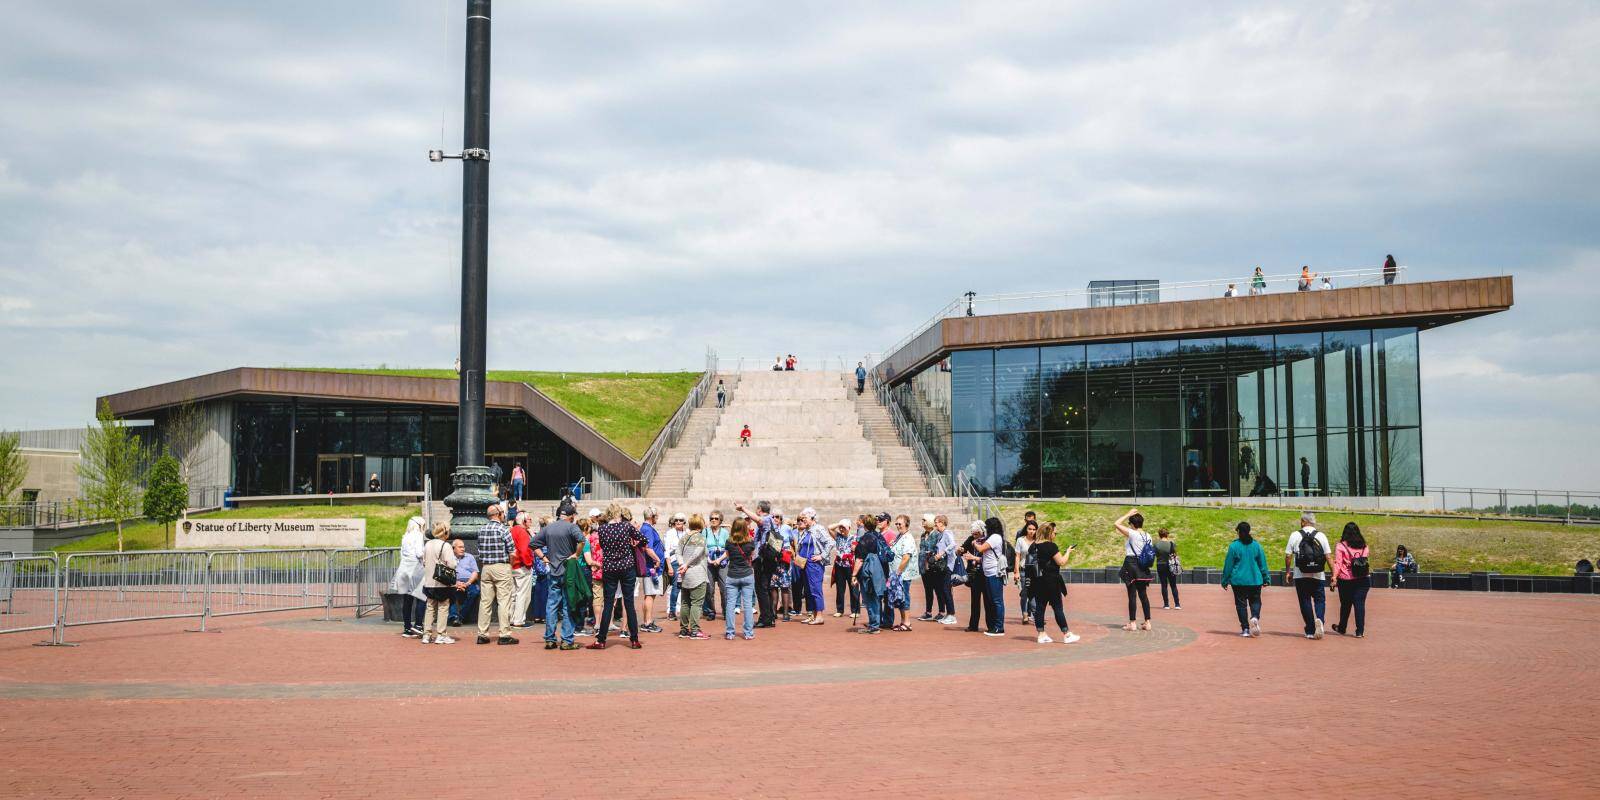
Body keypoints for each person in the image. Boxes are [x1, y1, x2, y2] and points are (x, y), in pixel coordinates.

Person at [586, 503, 645, 650]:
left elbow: (604, 546)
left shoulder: (602, 529)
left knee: (608, 603)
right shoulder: (626, 526)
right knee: (629, 603)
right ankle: (634, 639)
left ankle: (601, 640)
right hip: (627, 566)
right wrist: (632, 544)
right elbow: (643, 539)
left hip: (610, 567)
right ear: (619, 514)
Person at [532, 506, 584, 650]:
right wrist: (576, 555)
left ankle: (550, 639)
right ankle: (567, 640)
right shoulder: (572, 527)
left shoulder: (549, 528)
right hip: (568, 571)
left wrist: (544, 557)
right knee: (568, 605)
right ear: (571, 515)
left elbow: (533, 544)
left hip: (553, 570)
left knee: (552, 605)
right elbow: (582, 541)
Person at [1023, 527, 1079, 644]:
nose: (1055, 534)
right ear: (1049, 533)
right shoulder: (1051, 546)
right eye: (1055, 532)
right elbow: (1061, 562)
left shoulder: (1033, 546)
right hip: (1052, 581)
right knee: (1057, 607)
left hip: (1038, 581)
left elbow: (1029, 564)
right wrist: (1068, 552)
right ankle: (1067, 634)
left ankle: (1041, 634)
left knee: (1040, 607)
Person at [1284, 511, 1332, 640]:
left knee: (1305, 601)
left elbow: (1288, 556)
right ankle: (1320, 619)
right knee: (1320, 600)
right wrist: (1334, 574)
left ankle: (1310, 630)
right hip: (1318, 574)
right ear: (1313, 522)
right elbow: (1328, 556)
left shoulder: (1295, 535)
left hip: (1301, 574)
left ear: (1303, 521)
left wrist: (1288, 571)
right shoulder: (1321, 536)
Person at [475, 503, 519, 645]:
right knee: (504, 601)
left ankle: (482, 634)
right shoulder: (503, 529)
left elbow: (479, 551)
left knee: (485, 603)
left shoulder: (481, 530)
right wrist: (509, 565)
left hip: (486, 567)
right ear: (499, 514)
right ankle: (504, 634)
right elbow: (512, 551)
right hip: (501, 566)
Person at [1220, 521, 1269, 637]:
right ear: (1249, 531)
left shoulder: (1234, 546)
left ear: (1238, 532)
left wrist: (1225, 580)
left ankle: (1245, 629)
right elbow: (1262, 563)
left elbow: (1228, 565)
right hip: (1255, 580)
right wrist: (1266, 578)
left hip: (1239, 581)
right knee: (1256, 601)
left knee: (1241, 605)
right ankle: (1255, 617)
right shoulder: (1257, 545)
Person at [735, 501, 779, 627]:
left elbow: (759, 520)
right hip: (768, 559)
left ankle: (766, 619)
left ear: (759, 509)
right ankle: (769, 617)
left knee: (761, 589)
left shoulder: (766, 519)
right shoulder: (772, 520)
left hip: (763, 559)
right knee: (765, 588)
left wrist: (743, 508)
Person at [417, 521, 458, 644]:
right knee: (443, 607)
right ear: (445, 532)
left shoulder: (428, 544)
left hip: (429, 580)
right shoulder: (445, 546)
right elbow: (451, 564)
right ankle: (441, 634)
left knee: (430, 607)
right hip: (442, 581)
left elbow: (423, 561)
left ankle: (427, 634)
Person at [1114, 508, 1154, 632]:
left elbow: (1116, 523)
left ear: (1132, 524)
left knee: (1132, 595)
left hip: (1131, 564)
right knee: (1143, 595)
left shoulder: (1133, 534)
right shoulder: (1148, 535)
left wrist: (1127, 514)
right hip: (1143, 566)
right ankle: (1147, 622)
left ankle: (1132, 623)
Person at [851, 514, 891, 634]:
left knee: (870, 598)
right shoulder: (879, 536)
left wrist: (853, 575)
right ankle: (876, 622)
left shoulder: (865, 538)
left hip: (868, 573)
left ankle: (874, 625)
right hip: (880, 571)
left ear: (864, 525)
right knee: (876, 598)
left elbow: (859, 559)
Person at [719, 517, 758, 640]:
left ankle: (730, 632)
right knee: (747, 605)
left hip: (732, 575)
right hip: (747, 574)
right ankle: (748, 633)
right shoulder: (750, 542)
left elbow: (728, 555)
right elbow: (752, 556)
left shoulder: (729, 542)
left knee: (730, 605)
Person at [1331, 522, 1371, 638]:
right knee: (1360, 604)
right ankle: (1360, 631)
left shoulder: (1341, 546)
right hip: (1363, 579)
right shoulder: (1364, 546)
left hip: (1346, 579)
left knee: (1345, 604)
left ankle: (1342, 627)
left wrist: (1334, 577)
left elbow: (1338, 563)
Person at [390, 516, 427, 637]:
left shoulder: (405, 536)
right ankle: (418, 625)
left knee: (407, 600)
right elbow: (419, 553)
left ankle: (407, 628)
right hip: (415, 568)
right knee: (421, 597)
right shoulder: (418, 535)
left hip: (403, 569)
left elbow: (402, 554)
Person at [970, 517, 1007, 637]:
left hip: (994, 573)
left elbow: (981, 548)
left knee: (997, 601)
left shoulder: (995, 537)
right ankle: (994, 626)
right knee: (992, 600)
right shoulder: (992, 537)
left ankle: (999, 627)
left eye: (987, 527)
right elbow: (985, 556)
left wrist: (975, 543)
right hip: (988, 572)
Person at [675, 514, 711, 639]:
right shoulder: (700, 538)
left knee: (685, 603)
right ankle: (695, 630)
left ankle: (684, 629)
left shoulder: (684, 537)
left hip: (685, 575)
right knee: (696, 603)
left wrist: (681, 564)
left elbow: (677, 551)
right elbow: (698, 553)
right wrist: (686, 564)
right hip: (697, 574)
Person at [795, 509, 829, 624]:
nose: (803, 519)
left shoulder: (818, 528)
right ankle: (813, 615)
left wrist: (822, 556)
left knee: (815, 589)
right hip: (804, 564)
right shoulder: (806, 530)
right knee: (808, 590)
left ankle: (819, 616)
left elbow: (830, 542)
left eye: (805, 517)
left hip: (814, 564)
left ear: (812, 518)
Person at [636, 507, 667, 634]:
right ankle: (647, 622)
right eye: (656, 516)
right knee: (650, 595)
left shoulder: (646, 528)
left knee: (650, 594)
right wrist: (657, 560)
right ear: (652, 516)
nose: (657, 518)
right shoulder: (647, 529)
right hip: (652, 568)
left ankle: (647, 621)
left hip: (651, 567)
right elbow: (648, 548)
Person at [959, 520, 992, 633]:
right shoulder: (971, 539)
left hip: (986, 573)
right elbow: (963, 548)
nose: (974, 536)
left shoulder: (987, 541)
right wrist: (961, 550)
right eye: (973, 533)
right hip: (974, 574)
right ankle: (973, 625)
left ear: (982, 532)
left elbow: (988, 558)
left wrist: (973, 557)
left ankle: (991, 626)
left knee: (988, 601)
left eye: (976, 533)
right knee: (974, 601)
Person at [889, 514, 919, 631]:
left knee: (904, 596)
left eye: (899, 524)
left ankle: (907, 622)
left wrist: (898, 572)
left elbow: (906, 557)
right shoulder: (900, 536)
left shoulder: (907, 538)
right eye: (896, 524)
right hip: (898, 574)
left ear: (906, 524)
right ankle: (903, 621)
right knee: (900, 598)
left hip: (903, 574)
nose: (897, 526)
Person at [509, 512, 536, 628]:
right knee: (523, 595)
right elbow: (524, 550)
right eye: (529, 519)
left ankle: (512, 618)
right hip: (521, 566)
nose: (531, 521)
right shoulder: (522, 532)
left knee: (514, 595)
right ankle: (518, 620)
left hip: (512, 565)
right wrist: (529, 564)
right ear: (523, 521)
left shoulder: (512, 530)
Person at [830, 519, 860, 620]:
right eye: (841, 528)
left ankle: (855, 610)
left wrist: (854, 548)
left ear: (849, 528)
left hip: (850, 566)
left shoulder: (855, 537)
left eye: (844, 527)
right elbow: (830, 528)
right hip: (839, 565)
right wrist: (839, 523)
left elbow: (857, 550)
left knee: (853, 588)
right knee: (840, 589)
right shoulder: (838, 536)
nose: (842, 529)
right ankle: (839, 610)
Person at [701, 510, 729, 620]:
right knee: (709, 588)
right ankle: (711, 611)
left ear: (720, 520)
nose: (713, 520)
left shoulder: (725, 533)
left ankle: (726, 611)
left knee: (724, 588)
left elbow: (728, 549)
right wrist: (709, 559)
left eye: (716, 518)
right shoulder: (705, 531)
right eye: (711, 518)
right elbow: (703, 547)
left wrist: (719, 559)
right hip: (709, 561)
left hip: (722, 561)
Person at [1014, 519, 1039, 624]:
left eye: (1034, 529)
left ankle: (1035, 615)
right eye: (1029, 529)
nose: (1031, 531)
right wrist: (1016, 572)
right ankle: (1025, 614)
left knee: (1034, 594)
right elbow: (1017, 556)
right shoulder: (1020, 540)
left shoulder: (1038, 541)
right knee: (1025, 593)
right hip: (1024, 570)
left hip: (1035, 572)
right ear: (1026, 529)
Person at [449, 539, 479, 625]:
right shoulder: (449, 557)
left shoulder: (469, 557)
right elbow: (446, 573)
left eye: (463, 547)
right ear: (453, 548)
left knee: (475, 592)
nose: (463, 549)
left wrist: (467, 583)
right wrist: (456, 583)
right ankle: (453, 617)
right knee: (449, 592)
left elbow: (475, 572)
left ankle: (461, 617)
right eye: (460, 547)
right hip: (453, 582)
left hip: (469, 582)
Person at [662, 512, 686, 620]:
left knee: (686, 588)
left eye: (680, 520)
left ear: (684, 522)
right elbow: (666, 551)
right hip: (675, 562)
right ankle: (672, 611)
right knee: (676, 588)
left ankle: (686, 611)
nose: (678, 522)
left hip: (686, 562)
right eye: (676, 520)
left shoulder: (688, 532)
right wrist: (669, 566)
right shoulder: (670, 533)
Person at [1154, 528, 1181, 610]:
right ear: (1167, 535)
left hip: (1160, 565)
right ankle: (1177, 604)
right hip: (1171, 565)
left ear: (1159, 535)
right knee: (1173, 585)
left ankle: (1166, 604)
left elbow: (1155, 554)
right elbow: (1175, 554)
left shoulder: (1156, 545)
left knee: (1164, 585)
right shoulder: (1172, 544)